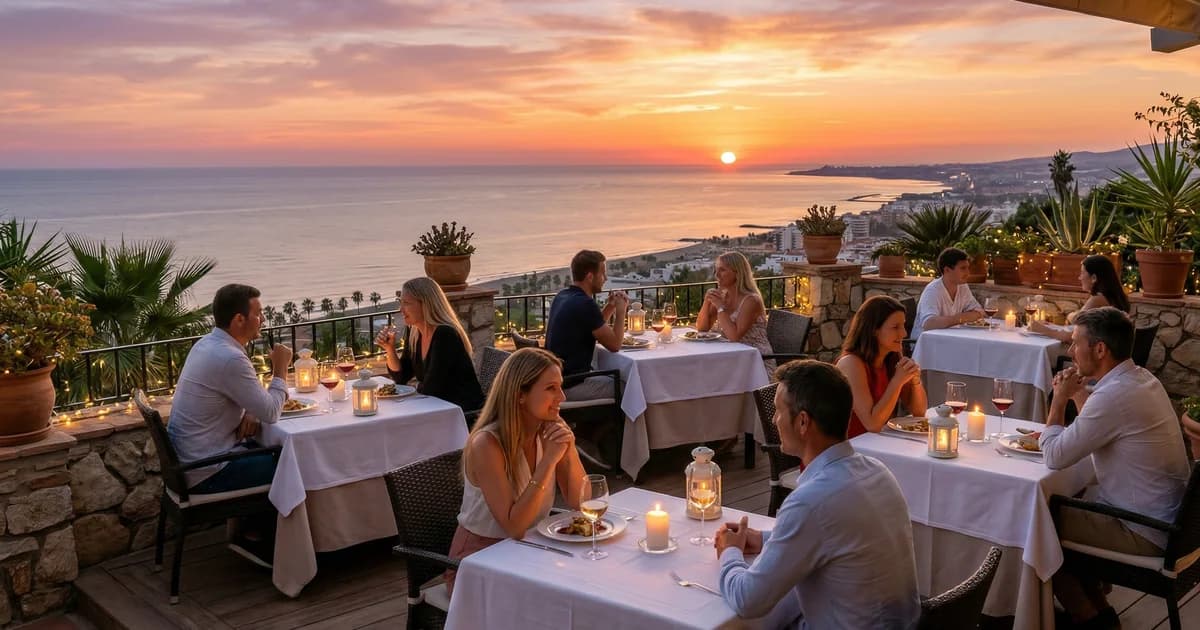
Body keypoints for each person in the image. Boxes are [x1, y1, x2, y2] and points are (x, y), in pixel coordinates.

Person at [714, 360, 920, 629]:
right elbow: (837, 539)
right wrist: (765, 539)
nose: (775, 420)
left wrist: (729, 552)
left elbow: (748, 601)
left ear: (802, 422)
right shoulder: (877, 472)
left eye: (778, 411)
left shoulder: (811, 501)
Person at [1040, 307, 1189, 628]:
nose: (1069, 350)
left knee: (1036, 523)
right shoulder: (1141, 379)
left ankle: (1088, 619)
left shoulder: (1114, 395)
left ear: (1100, 349)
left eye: (1075, 342)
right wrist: (1079, 393)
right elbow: (1101, 425)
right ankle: (1100, 611)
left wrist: (1058, 400)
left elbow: (1053, 455)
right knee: (1069, 502)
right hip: (1171, 522)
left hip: (1145, 531)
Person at [168, 283, 291, 567]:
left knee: (274, 451)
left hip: (188, 463)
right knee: (294, 463)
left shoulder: (207, 345)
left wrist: (250, 409)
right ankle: (270, 545)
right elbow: (272, 412)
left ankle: (251, 531)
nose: (263, 319)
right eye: (259, 314)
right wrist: (281, 369)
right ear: (239, 319)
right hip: (207, 470)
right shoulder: (230, 357)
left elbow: (249, 400)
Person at [446, 348, 586, 596]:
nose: (562, 397)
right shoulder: (487, 444)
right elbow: (515, 527)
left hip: (533, 550)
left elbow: (581, 502)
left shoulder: (549, 431)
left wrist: (570, 448)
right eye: (551, 388)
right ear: (521, 395)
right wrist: (549, 460)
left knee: (588, 585)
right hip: (481, 560)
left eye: (561, 387)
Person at [375, 277, 483, 413]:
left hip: (461, 412)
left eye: (407, 303)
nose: (401, 309)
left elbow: (432, 388)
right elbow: (401, 377)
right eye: (400, 303)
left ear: (426, 305)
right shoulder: (414, 332)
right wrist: (389, 349)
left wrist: (413, 387)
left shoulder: (444, 334)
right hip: (434, 407)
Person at [836, 296, 927, 438]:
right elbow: (872, 424)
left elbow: (919, 413)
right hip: (853, 446)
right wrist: (897, 381)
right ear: (874, 330)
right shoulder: (851, 363)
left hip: (879, 442)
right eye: (895, 327)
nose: (903, 333)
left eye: (903, 325)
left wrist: (914, 380)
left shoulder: (892, 358)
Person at [545, 250, 627, 400]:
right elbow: (615, 345)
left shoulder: (563, 296)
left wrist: (610, 307)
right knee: (628, 388)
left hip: (554, 379)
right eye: (603, 274)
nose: (606, 278)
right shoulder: (585, 303)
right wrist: (621, 312)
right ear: (590, 276)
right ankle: (615, 424)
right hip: (570, 385)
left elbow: (593, 326)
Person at [696, 251, 774, 371]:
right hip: (729, 357)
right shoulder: (723, 296)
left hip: (755, 362)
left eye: (722, 270)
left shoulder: (751, 300)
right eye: (716, 270)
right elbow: (702, 328)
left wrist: (721, 308)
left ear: (737, 273)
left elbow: (734, 337)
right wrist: (706, 303)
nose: (717, 275)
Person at [1030, 255, 1130, 342]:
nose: (1079, 277)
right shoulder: (1113, 297)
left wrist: (1043, 330)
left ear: (1094, 278)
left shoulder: (1097, 300)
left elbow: (1072, 337)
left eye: (1082, 273)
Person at [911, 247, 985, 338]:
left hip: (950, 339)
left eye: (967, 268)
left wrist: (960, 318)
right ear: (947, 270)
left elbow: (979, 312)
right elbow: (929, 323)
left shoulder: (962, 286)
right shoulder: (933, 290)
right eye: (963, 268)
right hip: (926, 345)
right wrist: (961, 318)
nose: (968, 273)